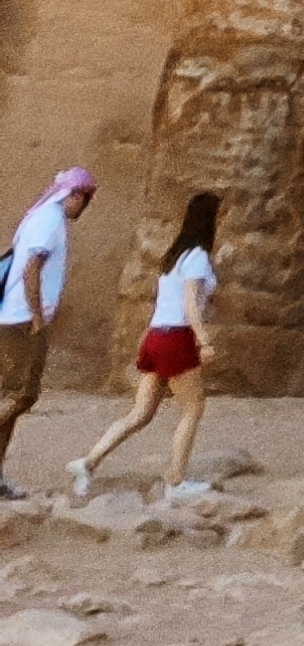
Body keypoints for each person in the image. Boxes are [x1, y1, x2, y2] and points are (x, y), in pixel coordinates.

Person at [71, 191, 220, 496]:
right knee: (193, 408)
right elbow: (191, 304)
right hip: (176, 337)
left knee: (140, 413)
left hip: (155, 336)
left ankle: (88, 461)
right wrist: (204, 341)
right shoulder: (197, 258)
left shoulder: (174, 257)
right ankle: (176, 481)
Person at [0, 167, 94, 493]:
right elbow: (31, 270)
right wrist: (37, 315)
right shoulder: (50, 220)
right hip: (21, 320)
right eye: (84, 200)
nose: (83, 208)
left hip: (13, 317)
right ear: (76, 196)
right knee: (20, 394)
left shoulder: (40, 217)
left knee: (11, 395)